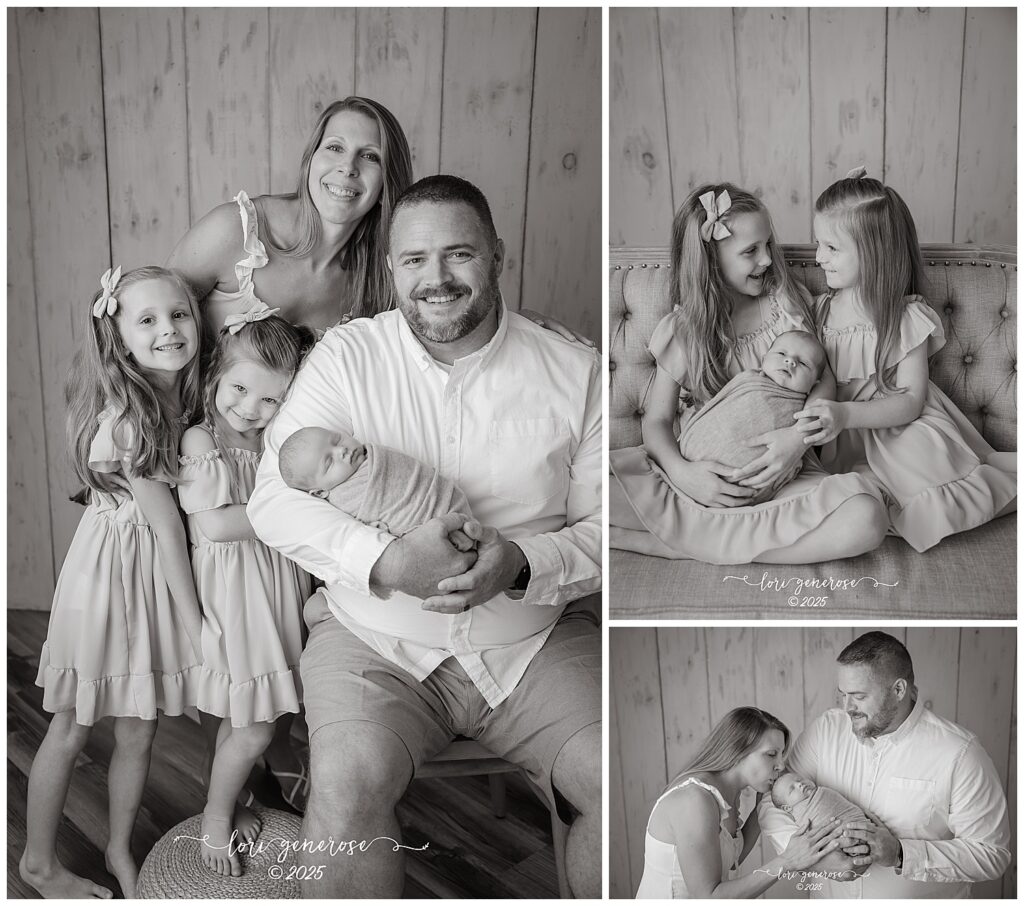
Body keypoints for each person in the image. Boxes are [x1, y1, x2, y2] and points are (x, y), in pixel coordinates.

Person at [247, 174, 602, 897]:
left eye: (459, 254)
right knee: (343, 796)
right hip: (375, 639)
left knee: (619, 777)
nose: (435, 279)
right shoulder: (346, 361)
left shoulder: (576, 370)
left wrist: (523, 564)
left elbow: (609, 532)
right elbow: (273, 502)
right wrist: (384, 561)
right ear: (390, 268)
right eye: (413, 260)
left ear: (497, 255)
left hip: (533, 640)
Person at [20, 266, 205, 899]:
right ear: (118, 337)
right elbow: (167, 532)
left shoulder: (182, 395)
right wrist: (197, 626)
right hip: (110, 581)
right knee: (72, 727)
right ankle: (38, 865)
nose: (168, 330)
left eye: (178, 314)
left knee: (139, 727)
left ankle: (120, 849)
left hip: (142, 575)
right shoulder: (139, 418)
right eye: (146, 320)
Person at [609, 183, 888, 564]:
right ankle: (713, 538)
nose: (768, 260)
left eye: (768, 245)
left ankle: (686, 544)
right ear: (712, 262)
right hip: (704, 478)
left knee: (867, 517)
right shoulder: (685, 331)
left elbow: (823, 378)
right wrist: (684, 473)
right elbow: (656, 421)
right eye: (750, 252)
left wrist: (797, 440)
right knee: (598, 494)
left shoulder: (784, 305)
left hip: (782, 476)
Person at [804, 169, 1016, 551]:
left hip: (897, 428)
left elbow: (910, 402)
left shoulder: (904, 317)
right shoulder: (818, 313)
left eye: (832, 248)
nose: (818, 257)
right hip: (843, 438)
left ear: (873, 253)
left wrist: (847, 414)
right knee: (850, 497)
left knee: (924, 473)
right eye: (817, 243)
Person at [177, 303, 316, 876]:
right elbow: (215, 524)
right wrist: (297, 507)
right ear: (215, 376)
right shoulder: (198, 439)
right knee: (255, 721)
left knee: (260, 713)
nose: (249, 409)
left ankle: (238, 797)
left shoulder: (273, 444)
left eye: (269, 400)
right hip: (235, 596)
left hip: (274, 588)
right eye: (238, 389)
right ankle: (214, 813)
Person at [759, 631, 1012, 897]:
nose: (847, 707)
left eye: (858, 696)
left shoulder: (959, 753)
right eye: (842, 694)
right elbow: (772, 800)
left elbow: (992, 854)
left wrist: (902, 854)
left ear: (899, 690)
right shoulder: (826, 731)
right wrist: (812, 855)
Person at [636, 707, 845, 898]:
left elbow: (731, 859)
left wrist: (762, 808)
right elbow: (708, 897)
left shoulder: (730, 795)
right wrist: (787, 861)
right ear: (737, 751)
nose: (781, 765)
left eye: (782, 755)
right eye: (771, 755)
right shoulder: (695, 800)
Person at [677, 329, 828, 505]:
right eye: (781, 353)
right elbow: (718, 406)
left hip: (743, 485)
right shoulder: (748, 380)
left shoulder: (805, 410)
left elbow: (797, 450)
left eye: (803, 363)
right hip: (688, 465)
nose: (790, 361)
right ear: (763, 360)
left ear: (815, 383)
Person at [279, 426, 475, 550]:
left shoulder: (375, 456)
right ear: (320, 492)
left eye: (337, 440)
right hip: (424, 530)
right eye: (329, 462)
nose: (342, 450)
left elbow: (414, 475)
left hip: (445, 501)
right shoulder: (343, 499)